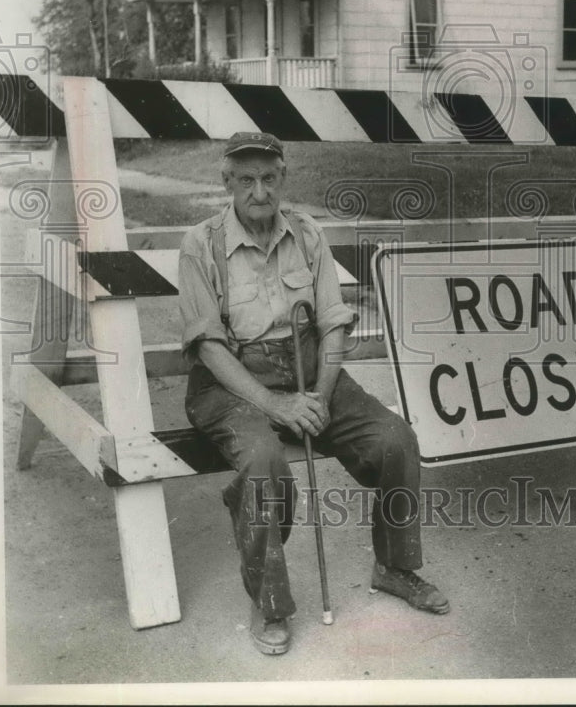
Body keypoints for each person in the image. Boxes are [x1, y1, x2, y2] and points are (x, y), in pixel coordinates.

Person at [178, 131, 449, 655]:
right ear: (227, 182)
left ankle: (395, 567)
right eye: (247, 179)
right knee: (263, 463)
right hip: (230, 381)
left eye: (270, 178)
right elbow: (209, 348)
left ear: (283, 179)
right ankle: (270, 600)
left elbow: (332, 324)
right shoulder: (201, 244)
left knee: (395, 440)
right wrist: (275, 404)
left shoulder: (306, 233)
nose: (259, 190)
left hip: (308, 373)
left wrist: (321, 396)